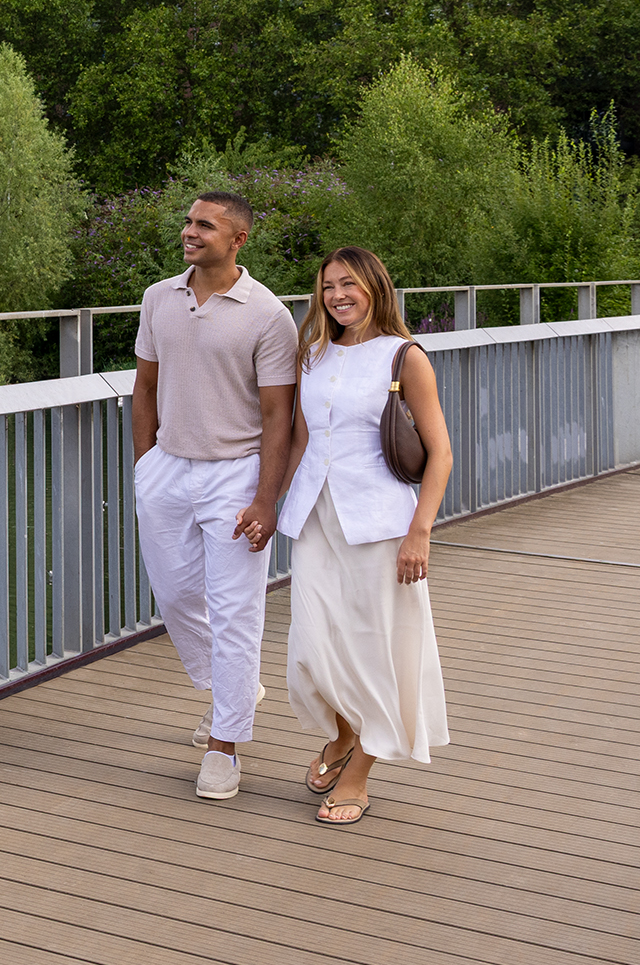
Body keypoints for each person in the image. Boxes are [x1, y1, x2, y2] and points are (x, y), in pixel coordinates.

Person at [131, 191, 301, 800]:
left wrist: (266, 498)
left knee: (236, 612)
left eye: (205, 225)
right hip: (169, 470)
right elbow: (144, 387)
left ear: (238, 240)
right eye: (188, 221)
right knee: (176, 597)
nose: (190, 231)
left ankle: (225, 747)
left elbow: (279, 415)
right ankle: (234, 688)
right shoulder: (159, 298)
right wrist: (146, 464)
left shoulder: (268, 315)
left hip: (236, 474)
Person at [279, 245, 452, 824]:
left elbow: (441, 454)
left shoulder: (405, 357)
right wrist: (264, 501)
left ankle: (361, 771)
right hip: (314, 519)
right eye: (328, 287)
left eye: (349, 284)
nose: (338, 296)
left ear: (376, 286)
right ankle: (344, 733)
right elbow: (300, 441)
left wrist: (419, 533)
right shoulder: (313, 354)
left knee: (377, 649)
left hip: (380, 525)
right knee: (314, 643)